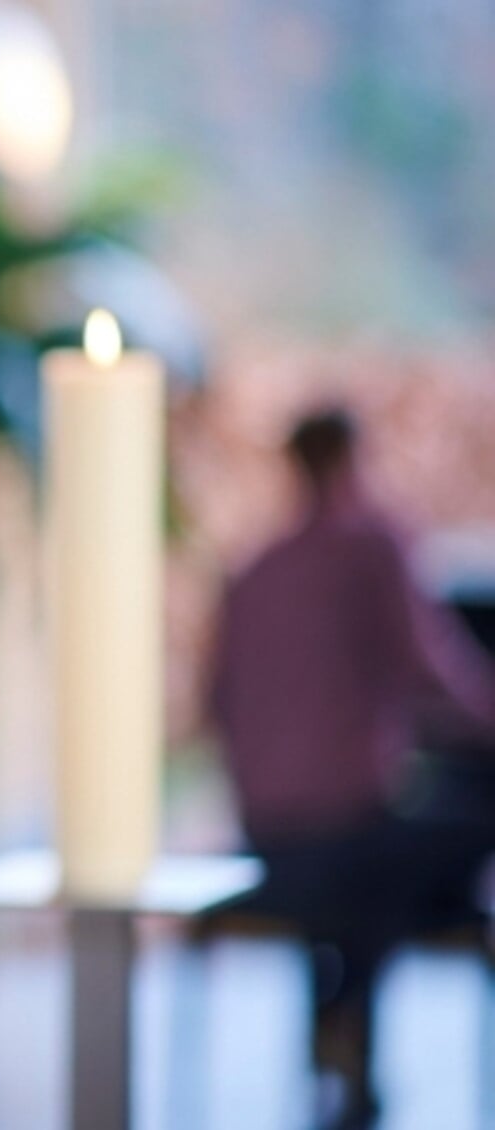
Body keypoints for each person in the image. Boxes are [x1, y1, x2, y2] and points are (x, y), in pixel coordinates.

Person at [209, 405, 495, 1127]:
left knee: (379, 845)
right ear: (351, 460)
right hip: (345, 836)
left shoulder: (250, 571)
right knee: (434, 842)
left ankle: (339, 1022)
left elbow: (215, 708)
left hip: (264, 832)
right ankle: (346, 1025)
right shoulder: (371, 548)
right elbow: (436, 675)